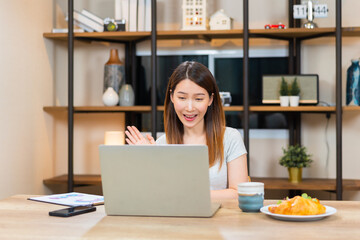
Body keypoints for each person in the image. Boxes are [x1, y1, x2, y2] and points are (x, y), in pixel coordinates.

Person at [125, 61, 248, 199]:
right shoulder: (162, 144)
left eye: (198, 99)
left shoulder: (230, 138)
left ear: (210, 99)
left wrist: (189, 194)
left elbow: (239, 194)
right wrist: (151, 160)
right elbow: (156, 196)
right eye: (182, 98)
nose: (189, 108)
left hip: (219, 219)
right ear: (172, 97)